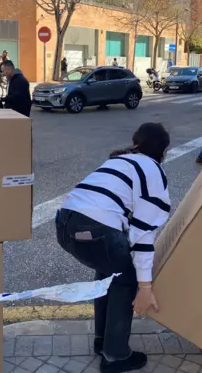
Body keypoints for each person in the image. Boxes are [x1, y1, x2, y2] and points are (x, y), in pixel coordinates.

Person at [56, 123, 171, 373]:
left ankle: (102, 340)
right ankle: (116, 355)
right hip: (95, 228)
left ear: (135, 141)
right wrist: (145, 288)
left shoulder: (119, 161)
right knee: (125, 278)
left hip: (64, 224)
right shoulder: (153, 171)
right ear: (164, 152)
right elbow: (143, 236)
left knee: (108, 270)